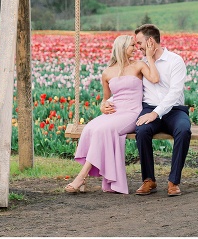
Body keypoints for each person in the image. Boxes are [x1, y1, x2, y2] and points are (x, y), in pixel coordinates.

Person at [101, 23, 191, 197]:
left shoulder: (175, 61)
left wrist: (156, 113)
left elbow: (175, 92)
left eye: (139, 43)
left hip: (173, 110)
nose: (137, 47)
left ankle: (174, 181)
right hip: (149, 108)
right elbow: (127, 88)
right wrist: (106, 102)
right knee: (141, 131)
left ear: (151, 41)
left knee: (184, 130)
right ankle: (149, 180)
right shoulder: (141, 64)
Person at [65, 34, 159, 194]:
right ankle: (83, 178)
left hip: (131, 112)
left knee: (103, 130)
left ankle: (81, 177)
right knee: (90, 128)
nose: (135, 49)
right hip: (115, 112)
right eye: (132, 46)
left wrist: (149, 57)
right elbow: (106, 99)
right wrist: (103, 106)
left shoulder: (139, 66)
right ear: (122, 48)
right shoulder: (107, 72)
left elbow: (155, 79)